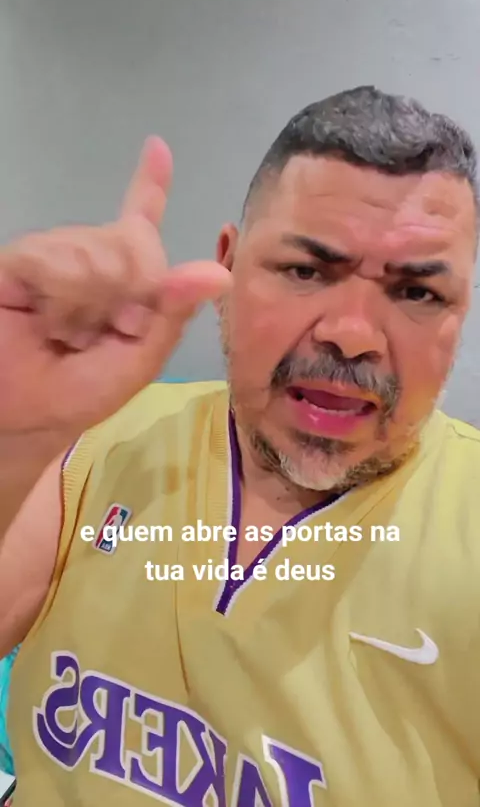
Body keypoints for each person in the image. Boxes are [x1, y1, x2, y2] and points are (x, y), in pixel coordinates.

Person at [0, 84, 479, 807]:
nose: (351, 334)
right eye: (306, 271)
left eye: (416, 293)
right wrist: (15, 433)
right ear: (226, 269)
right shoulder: (104, 439)